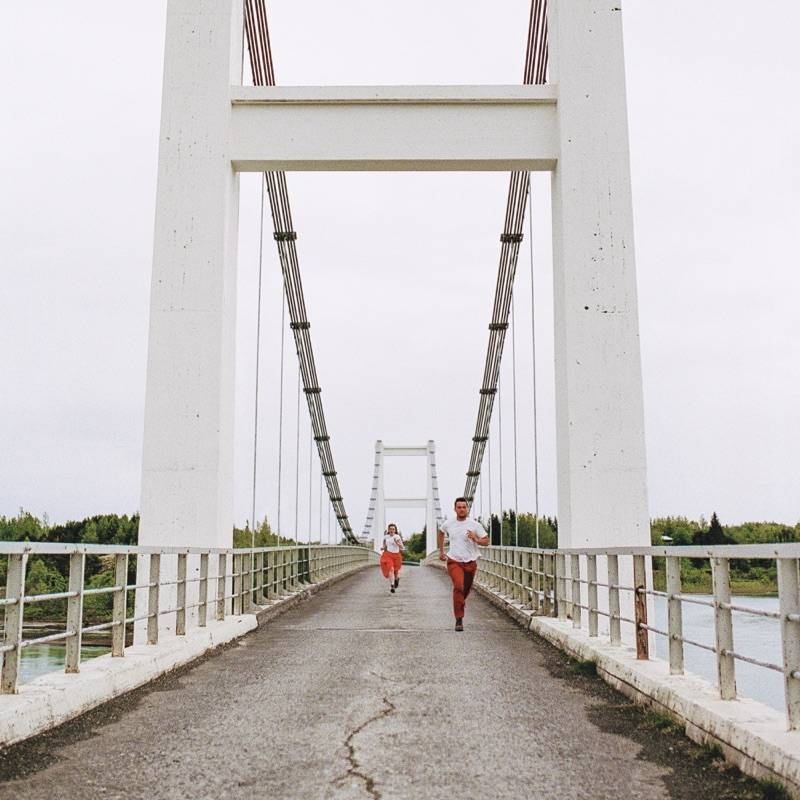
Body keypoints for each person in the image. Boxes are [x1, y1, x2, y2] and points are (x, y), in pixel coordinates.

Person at [438, 497, 489, 631]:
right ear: (455, 509)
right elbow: (441, 532)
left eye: (464, 507)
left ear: (467, 509)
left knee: (465, 589)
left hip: (470, 562)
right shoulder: (449, 523)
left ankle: (460, 602)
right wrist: (442, 551)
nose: (461, 509)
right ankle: (459, 619)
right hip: (454, 560)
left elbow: (486, 541)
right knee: (458, 587)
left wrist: (476, 539)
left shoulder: (474, 524)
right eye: (459, 507)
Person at [379, 523, 405, 593]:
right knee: (391, 569)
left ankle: (396, 579)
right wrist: (382, 548)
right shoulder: (385, 537)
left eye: (393, 529)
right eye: (390, 529)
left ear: (395, 530)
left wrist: (397, 543)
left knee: (395, 572)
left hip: (396, 556)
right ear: (388, 530)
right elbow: (385, 546)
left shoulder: (397, 537)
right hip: (388, 555)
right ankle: (392, 586)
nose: (391, 530)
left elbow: (402, 547)